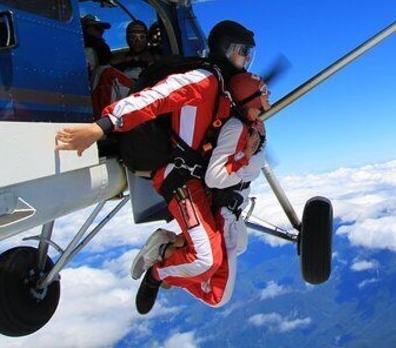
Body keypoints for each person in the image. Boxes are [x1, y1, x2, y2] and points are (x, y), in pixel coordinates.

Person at [54, 20, 257, 313]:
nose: (247, 60)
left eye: (250, 53)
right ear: (225, 49)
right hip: (181, 180)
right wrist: (102, 127)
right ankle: (157, 269)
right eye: (242, 52)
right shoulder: (203, 79)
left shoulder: (228, 89)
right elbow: (153, 99)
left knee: (222, 276)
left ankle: (173, 252)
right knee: (206, 261)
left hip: (203, 182)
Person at [132, 72, 270, 310]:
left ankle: (173, 245)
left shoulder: (253, 127)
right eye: (264, 91)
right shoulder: (237, 127)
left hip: (233, 208)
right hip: (226, 210)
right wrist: (246, 156)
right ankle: (159, 272)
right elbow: (215, 178)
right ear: (251, 97)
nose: (269, 95)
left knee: (241, 245)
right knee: (217, 295)